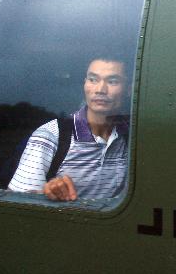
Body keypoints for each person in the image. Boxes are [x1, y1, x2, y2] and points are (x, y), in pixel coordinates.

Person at [8, 55, 130, 201]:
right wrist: (48, 194)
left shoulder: (130, 136)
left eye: (112, 81)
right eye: (93, 79)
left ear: (129, 89)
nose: (100, 89)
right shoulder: (50, 136)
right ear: (85, 84)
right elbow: (18, 203)